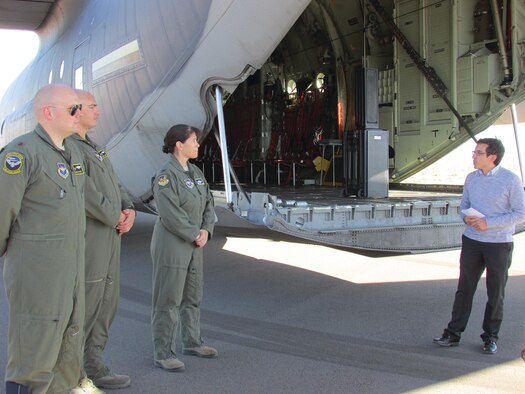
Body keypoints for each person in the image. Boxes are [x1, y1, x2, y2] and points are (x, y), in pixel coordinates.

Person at [0, 84, 87, 393]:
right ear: (49, 113)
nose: (80, 114)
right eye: (73, 109)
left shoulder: (70, 152)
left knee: (65, 353)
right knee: (32, 362)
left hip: (68, 271)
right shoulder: (21, 154)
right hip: (37, 274)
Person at [69, 90, 136, 389]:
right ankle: (73, 374)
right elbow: (83, 191)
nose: (98, 111)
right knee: (85, 304)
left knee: (107, 301)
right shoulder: (68, 148)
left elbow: (115, 182)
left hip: (110, 235)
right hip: (91, 235)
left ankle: (94, 365)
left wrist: (129, 208)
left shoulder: (96, 148)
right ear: (75, 111)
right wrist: (114, 216)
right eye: (92, 107)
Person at [433, 138, 525, 354]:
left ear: (492, 157)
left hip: (499, 244)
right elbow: (464, 205)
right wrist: (466, 218)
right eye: (474, 152)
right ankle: (452, 333)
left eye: (478, 153)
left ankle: (490, 337)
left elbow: (521, 213)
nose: (473, 156)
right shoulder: (471, 179)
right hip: (472, 241)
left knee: (495, 293)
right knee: (464, 289)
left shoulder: (510, 180)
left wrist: (488, 223)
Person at [150, 124, 217, 371]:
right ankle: (163, 352)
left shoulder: (196, 172)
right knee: (168, 299)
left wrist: (206, 231)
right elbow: (170, 213)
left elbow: (208, 203)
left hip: (194, 243)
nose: (198, 145)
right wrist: (194, 233)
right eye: (194, 141)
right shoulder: (165, 175)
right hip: (173, 244)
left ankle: (192, 341)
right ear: (179, 144)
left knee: (192, 295)